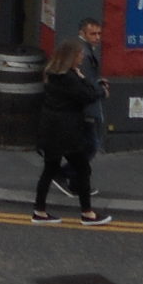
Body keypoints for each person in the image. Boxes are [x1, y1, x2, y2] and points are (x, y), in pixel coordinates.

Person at [33, 38, 112, 224]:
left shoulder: (53, 73)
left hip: (50, 128)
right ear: (71, 57)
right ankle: (87, 214)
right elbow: (88, 96)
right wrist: (98, 88)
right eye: (79, 54)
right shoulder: (69, 78)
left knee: (49, 169)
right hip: (67, 131)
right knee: (83, 168)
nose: (82, 57)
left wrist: (81, 78)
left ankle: (39, 211)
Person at [77, 17, 109, 163]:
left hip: (83, 107)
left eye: (99, 34)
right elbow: (86, 85)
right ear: (83, 33)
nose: (97, 38)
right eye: (93, 34)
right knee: (91, 146)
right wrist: (102, 91)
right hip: (87, 109)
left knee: (87, 146)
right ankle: (65, 174)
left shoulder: (83, 49)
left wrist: (97, 81)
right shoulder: (85, 54)